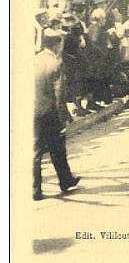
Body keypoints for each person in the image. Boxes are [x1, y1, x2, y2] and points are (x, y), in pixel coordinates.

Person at [34, 28, 80, 200]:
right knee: (58, 148)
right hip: (50, 112)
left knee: (36, 151)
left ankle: (35, 189)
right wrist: (63, 120)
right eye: (60, 43)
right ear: (55, 45)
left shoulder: (34, 60)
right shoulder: (56, 63)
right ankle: (65, 180)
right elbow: (59, 94)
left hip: (32, 111)